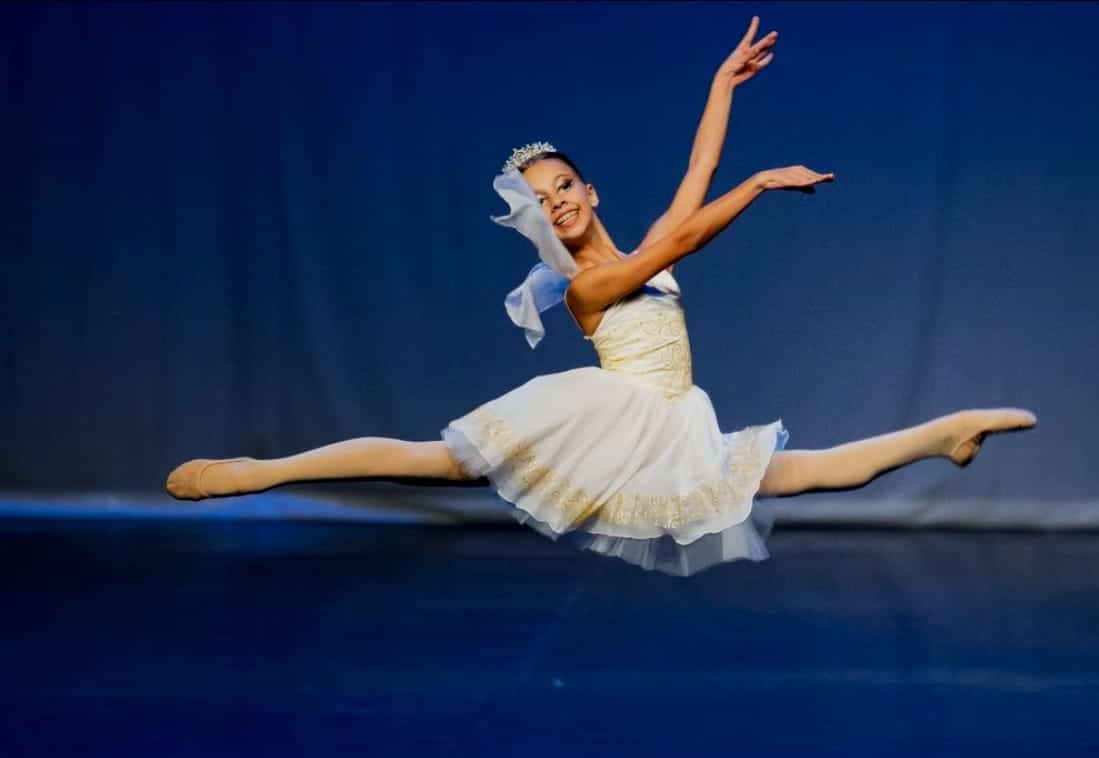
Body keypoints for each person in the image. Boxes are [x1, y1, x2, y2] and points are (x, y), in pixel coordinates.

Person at [166, 17, 1035, 576]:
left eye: (569, 184)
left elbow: (693, 177)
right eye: (546, 200)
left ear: (591, 187)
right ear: (540, 223)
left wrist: (722, 85)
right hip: (606, 413)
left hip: (670, 415)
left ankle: (942, 434)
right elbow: (685, 235)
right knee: (437, 459)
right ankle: (262, 471)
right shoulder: (588, 284)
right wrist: (763, 181)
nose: (563, 200)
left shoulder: (638, 252)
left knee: (790, 476)